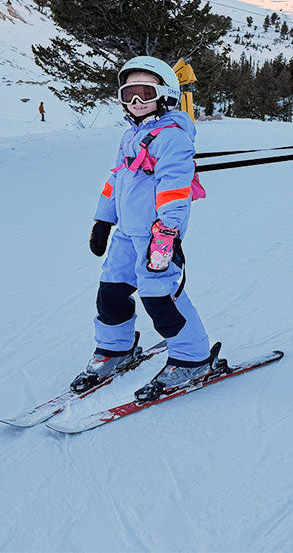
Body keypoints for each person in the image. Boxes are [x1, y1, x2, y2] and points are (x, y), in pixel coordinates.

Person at [74, 56, 212, 400]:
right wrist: (103, 219)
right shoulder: (130, 135)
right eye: (128, 94)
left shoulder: (173, 138)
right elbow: (116, 179)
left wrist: (167, 231)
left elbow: (175, 188)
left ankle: (193, 358)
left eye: (144, 94)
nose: (135, 103)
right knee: (111, 291)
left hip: (156, 237)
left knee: (159, 295)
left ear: (164, 95)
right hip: (125, 234)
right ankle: (115, 350)